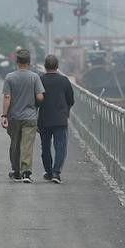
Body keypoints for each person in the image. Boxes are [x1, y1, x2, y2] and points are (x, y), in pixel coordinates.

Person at [1, 49, 44, 183]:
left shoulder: (9, 77)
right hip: (30, 117)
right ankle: (26, 172)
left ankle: (16, 171)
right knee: (27, 145)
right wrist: (37, 102)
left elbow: (7, 97)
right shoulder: (34, 77)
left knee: (15, 144)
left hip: (14, 117)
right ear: (29, 62)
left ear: (17, 62)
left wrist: (4, 115)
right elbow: (40, 96)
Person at [37, 55, 75, 183]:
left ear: (45, 66)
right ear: (57, 66)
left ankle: (48, 171)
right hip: (60, 118)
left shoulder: (40, 80)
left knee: (45, 147)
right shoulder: (64, 80)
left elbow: (37, 100)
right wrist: (66, 110)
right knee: (60, 147)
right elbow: (71, 99)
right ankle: (56, 172)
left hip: (44, 118)